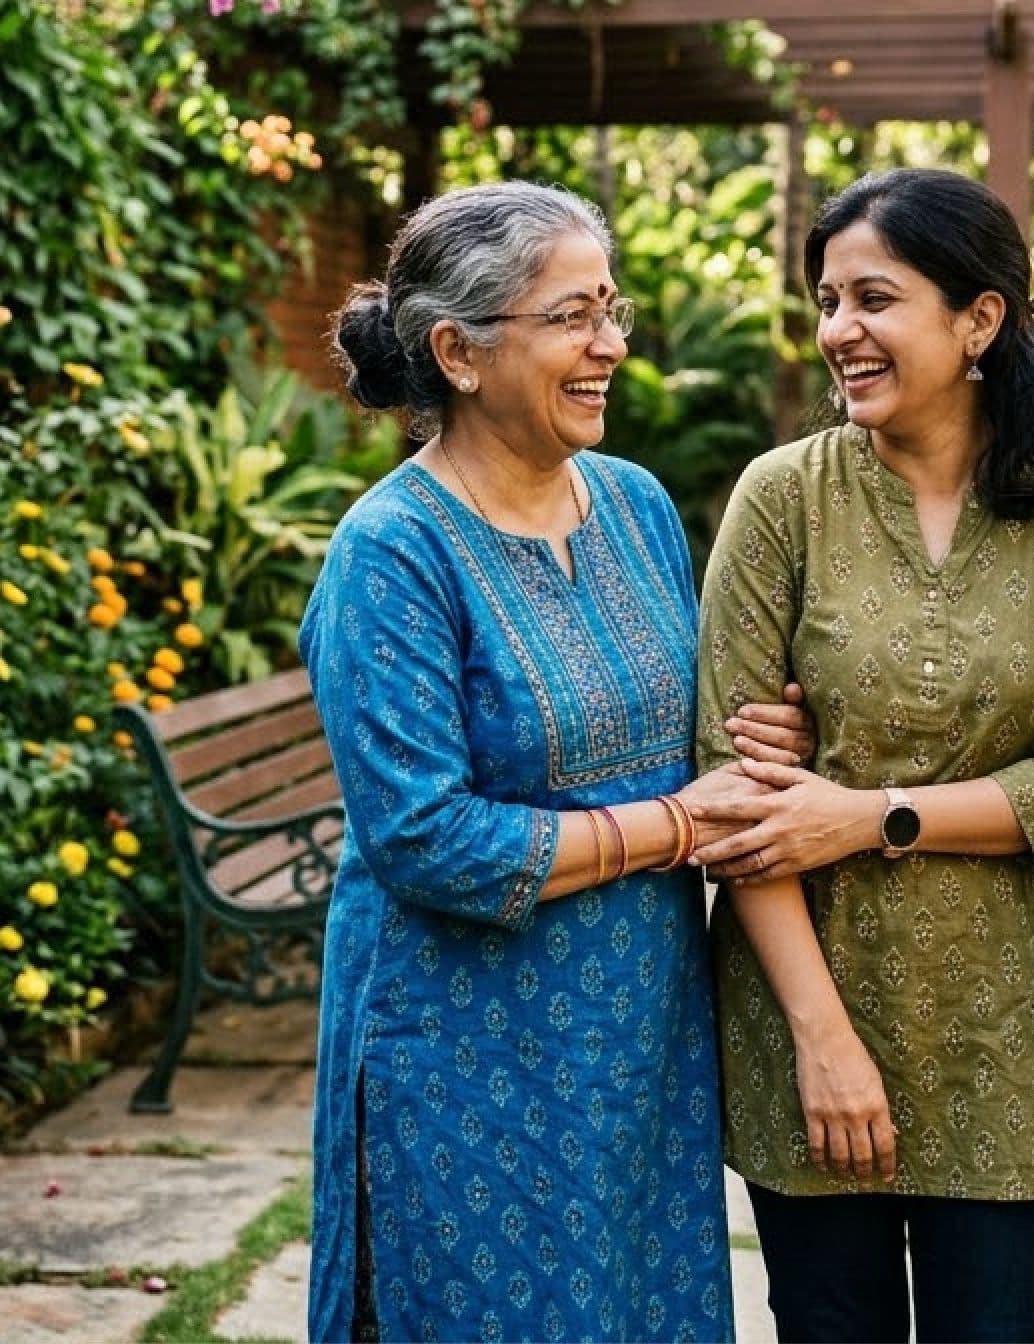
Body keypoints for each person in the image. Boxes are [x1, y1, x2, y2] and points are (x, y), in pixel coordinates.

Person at [302, 180, 814, 1344]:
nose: (611, 344)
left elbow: (686, 721)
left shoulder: (634, 505)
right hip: (465, 1050)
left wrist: (759, 741)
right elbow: (426, 839)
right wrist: (678, 826)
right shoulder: (392, 552)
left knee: (637, 1304)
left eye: (610, 309)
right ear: (458, 353)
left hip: (638, 1035)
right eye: (572, 317)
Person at [680, 167, 1034, 1344]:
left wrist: (866, 813)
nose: (839, 330)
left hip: (1003, 1031)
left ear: (978, 319)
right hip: (805, 1013)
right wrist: (822, 1040)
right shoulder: (782, 499)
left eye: (873, 299)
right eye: (828, 302)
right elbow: (732, 790)